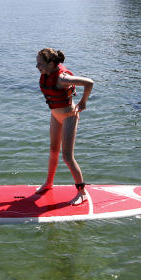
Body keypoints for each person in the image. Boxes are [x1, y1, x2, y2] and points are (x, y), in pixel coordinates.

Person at [35, 48, 94, 204]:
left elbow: (89, 83)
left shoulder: (62, 78)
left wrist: (83, 102)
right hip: (55, 115)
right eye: (37, 63)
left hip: (69, 117)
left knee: (67, 157)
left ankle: (82, 192)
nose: (37, 67)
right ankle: (48, 183)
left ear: (52, 63)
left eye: (40, 64)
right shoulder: (47, 74)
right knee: (53, 151)